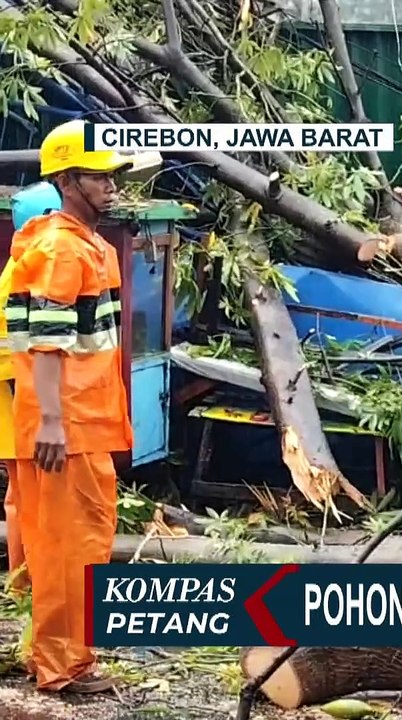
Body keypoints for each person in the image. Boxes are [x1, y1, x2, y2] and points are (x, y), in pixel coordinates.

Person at [6, 119, 135, 694]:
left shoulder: (71, 243)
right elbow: (47, 341)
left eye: (112, 177)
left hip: (77, 418)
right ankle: (61, 666)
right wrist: (54, 422)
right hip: (69, 423)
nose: (110, 187)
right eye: (99, 177)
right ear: (67, 179)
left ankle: (52, 654)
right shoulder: (62, 248)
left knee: (66, 538)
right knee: (70, 547)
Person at [1, 181, 63, 601]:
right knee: (32, 498)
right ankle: (31, 586)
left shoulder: (16, 263)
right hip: (19, 395)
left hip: (12, 394)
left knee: (19, 494)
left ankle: (23, 583)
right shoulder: (37, 267)